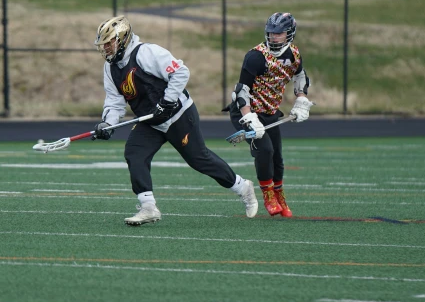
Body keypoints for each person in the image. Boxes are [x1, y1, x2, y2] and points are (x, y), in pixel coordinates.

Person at [92, 15, 259, 226]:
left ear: (123, 38)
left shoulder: (146, 52)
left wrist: (167, 100)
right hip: (150, 120)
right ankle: (148, 207)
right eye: (103, 44)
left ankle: (243, 187)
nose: (106, 48)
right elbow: (115, 101)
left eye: (109, 43)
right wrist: (108, 123)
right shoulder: (110, 68)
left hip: (178, 114)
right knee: (134, 153)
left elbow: (181, 71)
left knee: (199, 159)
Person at [226, 12, 314, 218]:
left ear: (289, 33)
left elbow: (300, 76)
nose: (274, 37)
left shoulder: (294, 54)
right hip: (246, 110)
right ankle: (267, 193)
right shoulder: (256, 56)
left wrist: (301, 100)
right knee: (264, 150)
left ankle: (279, 193)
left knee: (277, 157)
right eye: (270, 33)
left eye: (279, 34)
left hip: (270, 111)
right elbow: (241, 91)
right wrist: (249, 118)